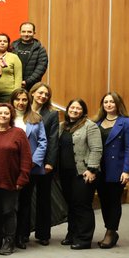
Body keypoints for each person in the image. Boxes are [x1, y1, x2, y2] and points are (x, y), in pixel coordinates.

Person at [52, 99, 103, 250]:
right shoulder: (63, 126)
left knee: (82, 206)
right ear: (67, 109)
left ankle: (84, 239)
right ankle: (72, 234)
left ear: (83, 111)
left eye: (78, 108)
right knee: (71, 206)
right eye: (72, 107)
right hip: (65, 174)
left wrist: (92, 169)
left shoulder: (90, 126)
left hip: (83, 173)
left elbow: (96, 149)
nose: (74, 110)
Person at [0, 102, 32, 255]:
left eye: (6, 113)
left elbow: (26, 157)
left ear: (11, 116)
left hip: (11, 180)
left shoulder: (18, 133)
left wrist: (22, 178)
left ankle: (9, 241)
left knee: (8, 211)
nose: (3, 116)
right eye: (0, 113)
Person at [95, 91, 129, 249]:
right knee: (104, 201)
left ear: (118, 104)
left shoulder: (127, 123)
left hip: (117, 169)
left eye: (112, 102)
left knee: (113, 201)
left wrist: (127, 170)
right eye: (105, 102)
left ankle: (111, 231)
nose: (108, 105)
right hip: (99, 168)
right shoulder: (97, 123)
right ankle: (110, 229)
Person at [9, 88, 49, 249]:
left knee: (24, 203)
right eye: (17, 99)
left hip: (29, 168)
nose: (21, 103)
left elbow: (42, 142)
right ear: (12, 101)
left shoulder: (36, 118)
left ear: (28, 101)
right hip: (9, 167)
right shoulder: (6, 117)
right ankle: (6, 235)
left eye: (24, 100)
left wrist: (31, 162)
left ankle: (21, 235)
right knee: (8, 203)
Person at [28, 82, 61, 245]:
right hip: (24, 164)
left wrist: (50, 162)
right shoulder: (23, 110)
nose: (43, 96)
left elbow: (53, 139)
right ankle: (22, 233)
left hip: (43, 164)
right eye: (40, 93)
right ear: (32, 93)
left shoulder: (52, 114)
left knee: (43, 199)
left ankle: (43, 234)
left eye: (46, 95)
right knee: (24, 199)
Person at [11, 22, 49, 90]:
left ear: (34, 33)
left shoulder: (40, 49)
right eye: (23, 31)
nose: (26, 34)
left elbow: (40, 69)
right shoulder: (12, 47)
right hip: (12, 85)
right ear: (20, 32)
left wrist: (26, 82)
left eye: (29, 32)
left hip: (31, 87)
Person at [0, 32, 23, 104]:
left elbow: (18, 77)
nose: (2, 43)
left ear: (8, 44)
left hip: (8, 94)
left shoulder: (14, 57)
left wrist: (16, 94)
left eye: (5, 41)